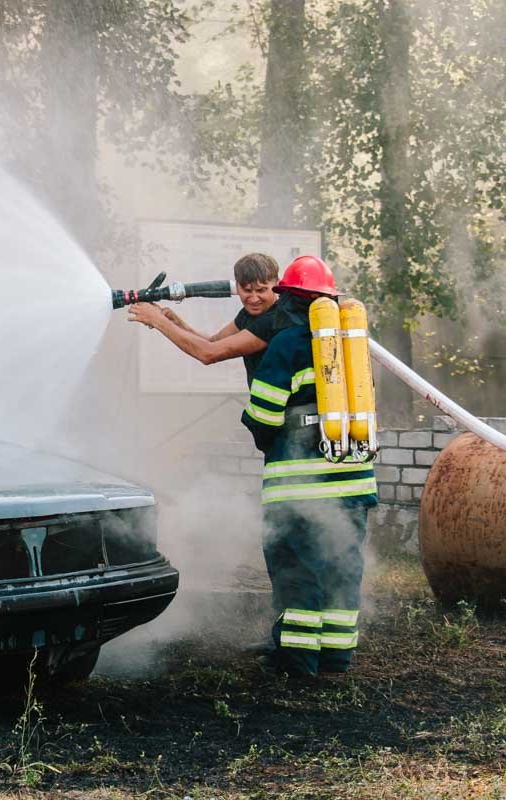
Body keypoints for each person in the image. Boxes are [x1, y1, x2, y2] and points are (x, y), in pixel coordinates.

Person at [239, 255, 377, 679]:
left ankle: (297, 662)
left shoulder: (287, 343)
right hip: (354, 483)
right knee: (342, 568)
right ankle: (336, 657)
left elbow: (263, 414)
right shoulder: (352, 348)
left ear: (289, 298)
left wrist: (269, 441)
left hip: (299, 489)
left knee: (297, 572)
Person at [126, 253, 280, 384]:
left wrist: (158, 321)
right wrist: (177, 324)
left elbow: (208, 353)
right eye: (246, 291)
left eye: (261, 290)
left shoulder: (276, 318)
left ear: (277, 284)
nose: (254, 298)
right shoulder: (249, 313)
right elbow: (214, 341)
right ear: (237, 286)